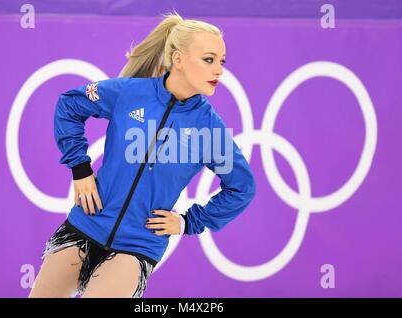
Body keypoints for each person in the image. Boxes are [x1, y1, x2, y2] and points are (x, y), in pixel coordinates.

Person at [29, 10, 256, 298]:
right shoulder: (131, 93)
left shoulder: (209, 128)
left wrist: (190, 221)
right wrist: (80, 169)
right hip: (85, 224)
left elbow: (242, 187)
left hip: (137, 246)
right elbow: (69, 105)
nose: (219, 70)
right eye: (209, 60)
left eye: (221, 62)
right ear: (178, 59)